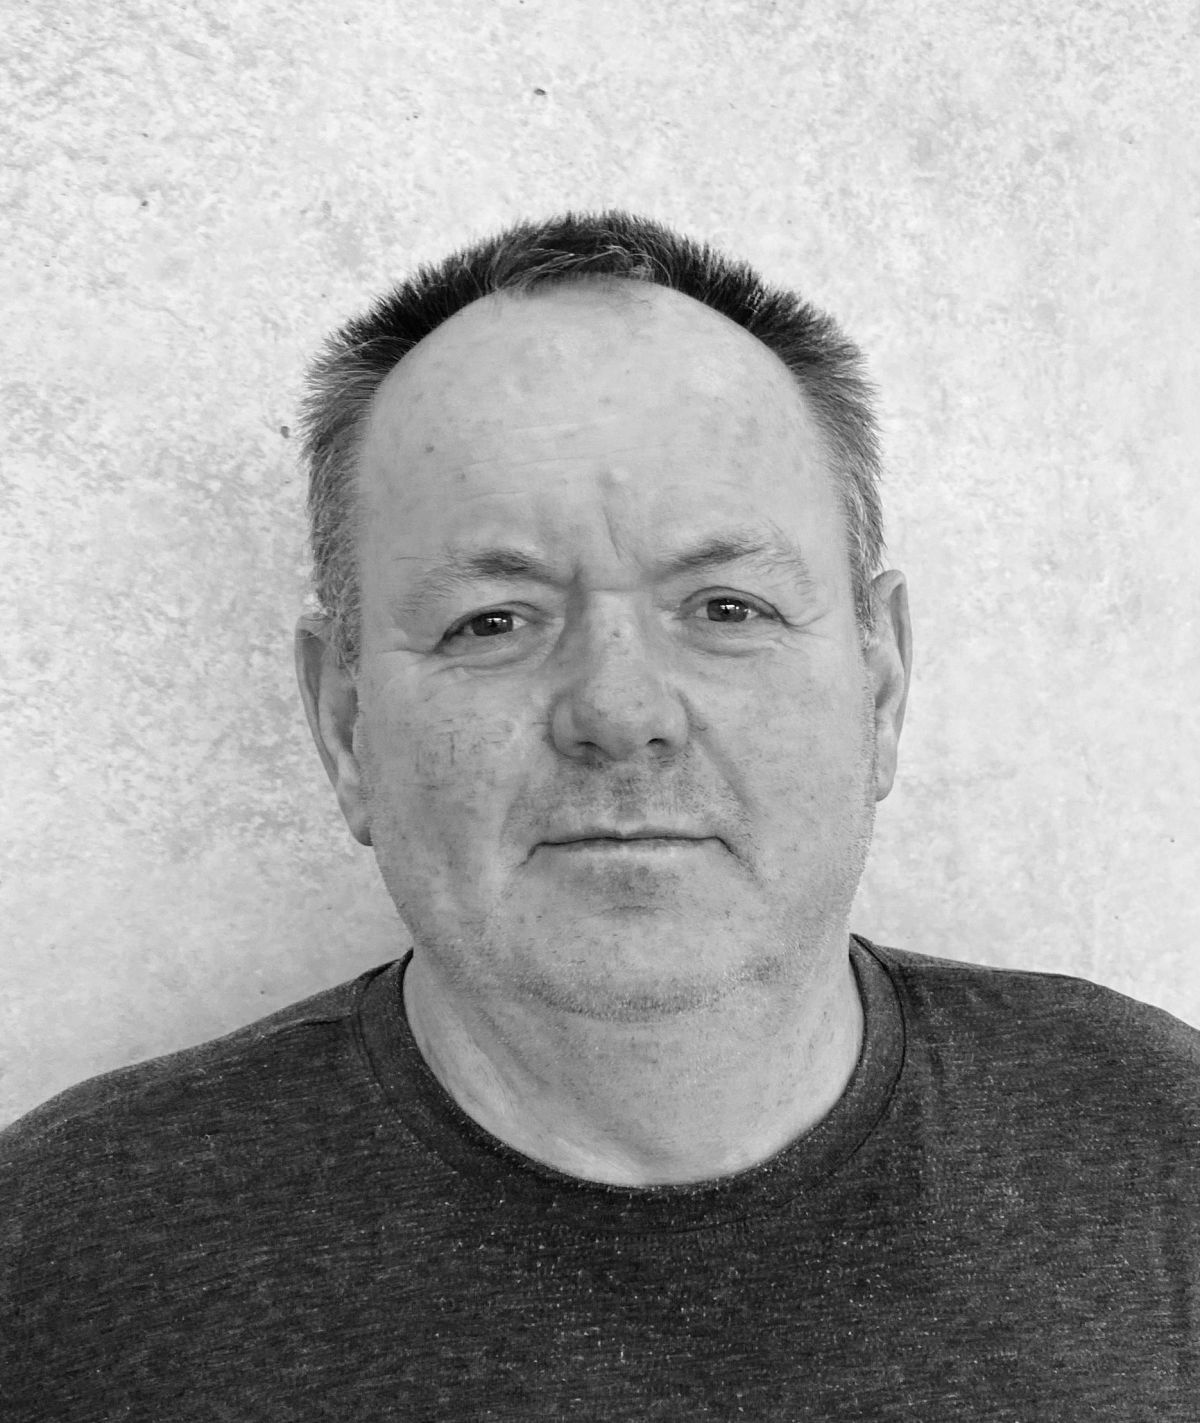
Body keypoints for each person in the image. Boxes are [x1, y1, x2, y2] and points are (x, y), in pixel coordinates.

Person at [1, 210, 1196, 1421]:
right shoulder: (56, 1262)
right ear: (345, 721)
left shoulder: (1164, 1148)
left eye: (726, 607)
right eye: (492, 621)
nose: (621, 712)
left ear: (879, 683)